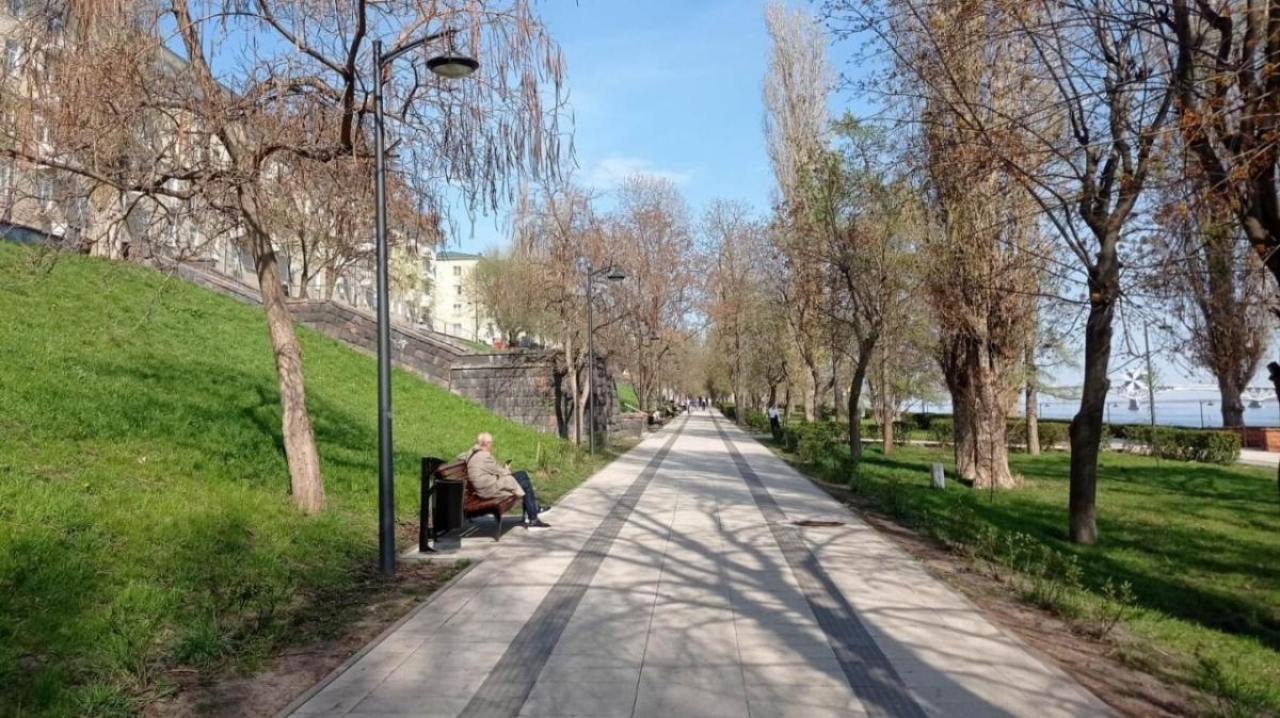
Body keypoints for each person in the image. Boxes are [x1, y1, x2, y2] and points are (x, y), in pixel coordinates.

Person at [457, 432, 551, 530]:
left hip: (485, 488)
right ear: (487, 444)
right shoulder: (484, 457)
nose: (491, 446)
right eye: (491, 443)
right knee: (525, 483)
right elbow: (502, 472)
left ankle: (534, 509)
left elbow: (460, 456)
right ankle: (534, 519)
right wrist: (506, 468)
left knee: (522, 474)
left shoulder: (472, 453)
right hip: (489, 490)